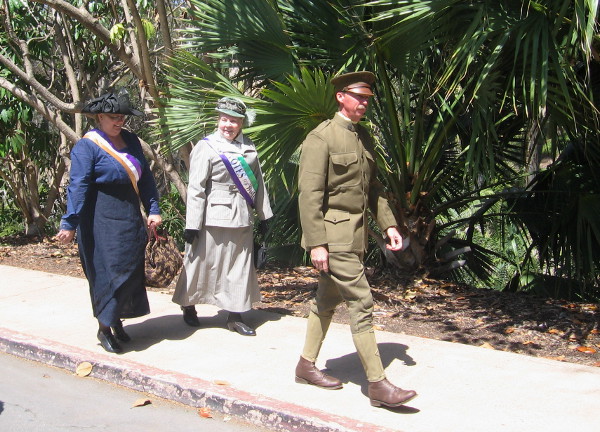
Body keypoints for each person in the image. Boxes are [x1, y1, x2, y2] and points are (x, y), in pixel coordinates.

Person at [294, 71, 417, 408]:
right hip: (334, 239)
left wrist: (390, 225)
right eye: (358, 97)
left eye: (367, 98)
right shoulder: (322, 138)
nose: (364, 103)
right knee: (361, 303)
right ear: (340, 96)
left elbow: (373, 189)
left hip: (357, 235)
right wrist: (317, 243)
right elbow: (309, 195)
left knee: (326, 300)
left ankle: (305, 366)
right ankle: (377, 385)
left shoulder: (363, 137)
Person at [55, 90, 162, 354]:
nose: (119, 122)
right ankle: (104, 326)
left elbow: (145, 178)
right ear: (100, 117)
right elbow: (77, 186)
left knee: (132, 268)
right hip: (100, 220)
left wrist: (153, 208)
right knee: (112, 272)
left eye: (122, 118)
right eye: (114, 117)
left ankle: (116, 319)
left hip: (129, 216)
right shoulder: (87, 147)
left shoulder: (131, 140)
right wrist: (69, 223)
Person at [171, 97, 273, 336]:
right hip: (212, 216)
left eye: (234, 121)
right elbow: (196, 188)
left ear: (242, 123)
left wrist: (264, 214)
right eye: (224, 119)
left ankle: (235, 316)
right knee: (201, 262)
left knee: (240, 265)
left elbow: (258, 183)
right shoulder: (206, 146)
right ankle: (188, 304)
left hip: (241, 215)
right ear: (218, 120)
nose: (228, 125)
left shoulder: (249, 146)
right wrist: (192, 225)